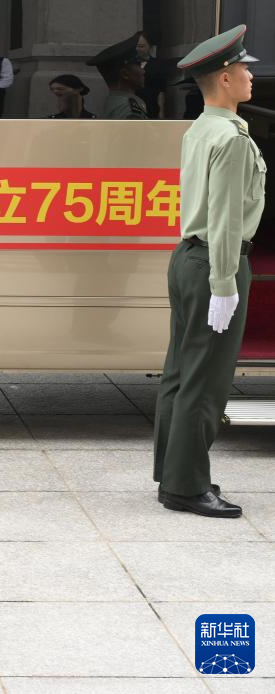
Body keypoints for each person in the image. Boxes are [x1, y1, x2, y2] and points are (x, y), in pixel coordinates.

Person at [154, 25, 266, 518]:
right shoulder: (231, 138)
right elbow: (224, 217)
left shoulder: (201, 128)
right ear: (224, 78)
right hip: (216, 262)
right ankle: (186, 486)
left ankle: (173, 472)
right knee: (207, 381)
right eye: (244, 69)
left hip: (187, 257)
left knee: (180, 373)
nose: (250, 76)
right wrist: (225, 283)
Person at [86, 33, 148, 119]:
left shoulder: (113, 101)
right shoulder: (128, 109)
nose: (143, 71)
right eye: (139, 65)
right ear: (125, 74)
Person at [134, 31, 168, 118]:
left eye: (141, 46)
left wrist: (161, 111)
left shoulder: (158, 64)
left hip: (151, 106)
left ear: (149, 46)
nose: (138, 49)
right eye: (136, 46)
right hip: (134, 106)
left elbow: (161, 90)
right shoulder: (130, 64)